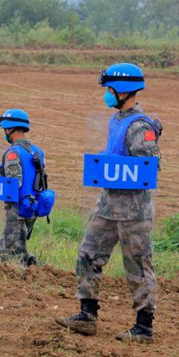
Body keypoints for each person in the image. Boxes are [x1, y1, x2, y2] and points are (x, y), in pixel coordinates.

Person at [56, 63, 162, 342]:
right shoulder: (116, 120)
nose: (106, 94)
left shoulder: (140, 126)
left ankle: (144, 327)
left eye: (110, 89)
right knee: (87, 255)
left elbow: (149, 169)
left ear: (124, 91)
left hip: (133, 212)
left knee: (138, 266)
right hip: (107, 206)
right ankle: (87, 315)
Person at [0, 109, 45, 267]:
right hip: (33, 206)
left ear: (10, 129)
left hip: (17, 207)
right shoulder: (37, 151)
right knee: (18, 244)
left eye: (5, 129)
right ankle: (30, 266)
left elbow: (13, 183)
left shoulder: (13, 153)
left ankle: (20, 277)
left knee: (9, 249)